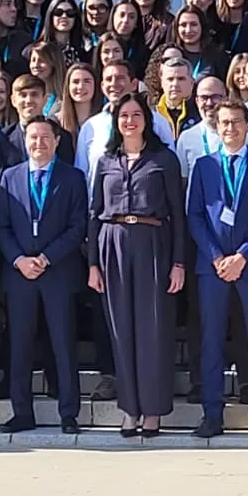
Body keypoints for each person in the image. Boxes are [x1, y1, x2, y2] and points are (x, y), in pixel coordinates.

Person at [87, 92, 186, 437]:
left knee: (153, 329)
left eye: (136, 115)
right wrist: (93, 265)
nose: (129, 121)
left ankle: (153, 411)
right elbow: (94, 212)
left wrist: (178, 262)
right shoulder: (105, 161)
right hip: (112, 245)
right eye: (123, 115)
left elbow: (178, 215)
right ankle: (130, 409)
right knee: (121, 329)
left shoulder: (164, 159)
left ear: (147, 119)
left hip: (152, 243)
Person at [187, 98, 248, 439]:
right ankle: (212, 414)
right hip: (212, 268)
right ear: (217, 126)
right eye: (224, 122)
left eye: (236, 122)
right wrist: (216, 257)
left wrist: (243, 255)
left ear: (247, 125)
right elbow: (195, 216)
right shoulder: (203, 166)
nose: (230, 128)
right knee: (211, 341)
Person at [0, 116, 88, 435]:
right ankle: (21, 411)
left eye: (45, 137)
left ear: (56, 141)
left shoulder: (73, 178)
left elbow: (78, 227)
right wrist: (19, 259)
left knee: (63, 342)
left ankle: (69, 412)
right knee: (19, 344)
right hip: (20, 274)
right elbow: (2, 226)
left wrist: (47, 258)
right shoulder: (9, 177)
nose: (39, 143)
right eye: (33, 137)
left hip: (57, 271)